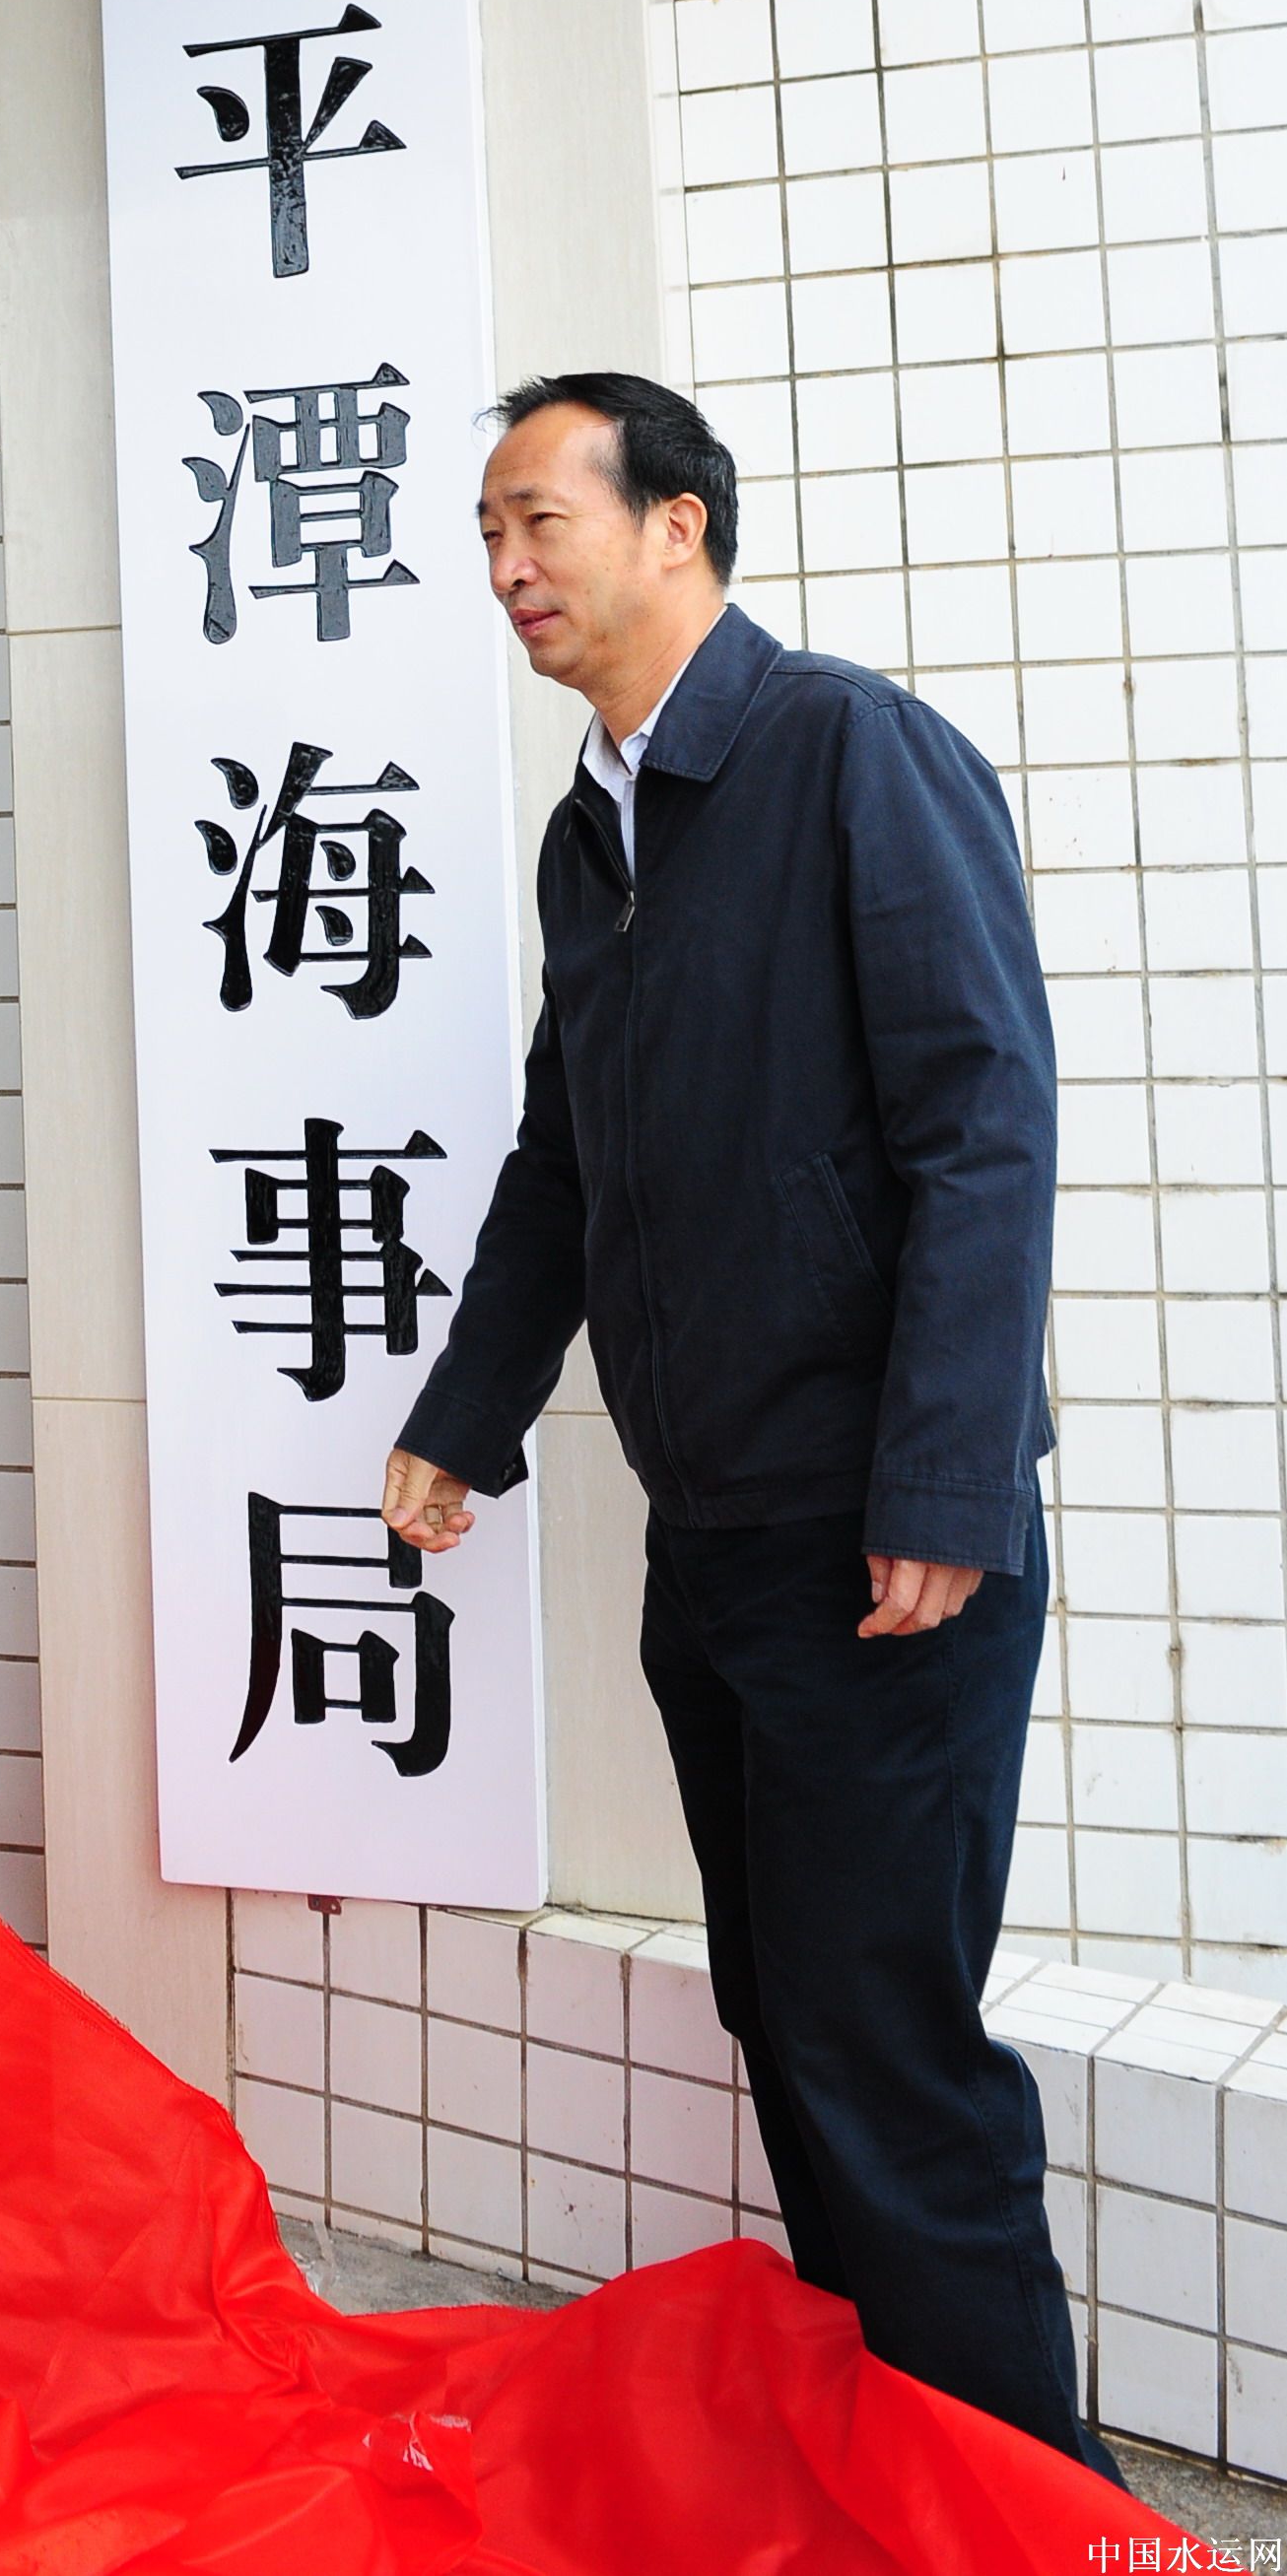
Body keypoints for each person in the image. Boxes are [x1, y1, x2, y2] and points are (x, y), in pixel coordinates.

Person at [380, 372, 1116, 2480]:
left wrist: (944, 1481)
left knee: (883, 2053)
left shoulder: (842, 754)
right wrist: (468, 1410)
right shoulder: (585, 832)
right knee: (783, 2029)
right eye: (487, 533)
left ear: (677, 524)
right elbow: (560, 1164)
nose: (505, 568)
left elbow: (983, 1128)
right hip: (709, 1544)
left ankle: (1019, 2515)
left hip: (882, 1551)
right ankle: (890, 2473)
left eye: (540, 522)